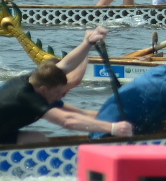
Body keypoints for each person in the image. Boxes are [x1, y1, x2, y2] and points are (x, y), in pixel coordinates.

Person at [0, 27, 134, 144]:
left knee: (37, 138)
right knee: (37, 139)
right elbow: (67, 121)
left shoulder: (37, 78)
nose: (61, 96)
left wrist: (88, 42)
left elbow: (66, 65)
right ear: (43, 89)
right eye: (59, 92)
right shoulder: (28, 97)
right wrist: (112, 128)